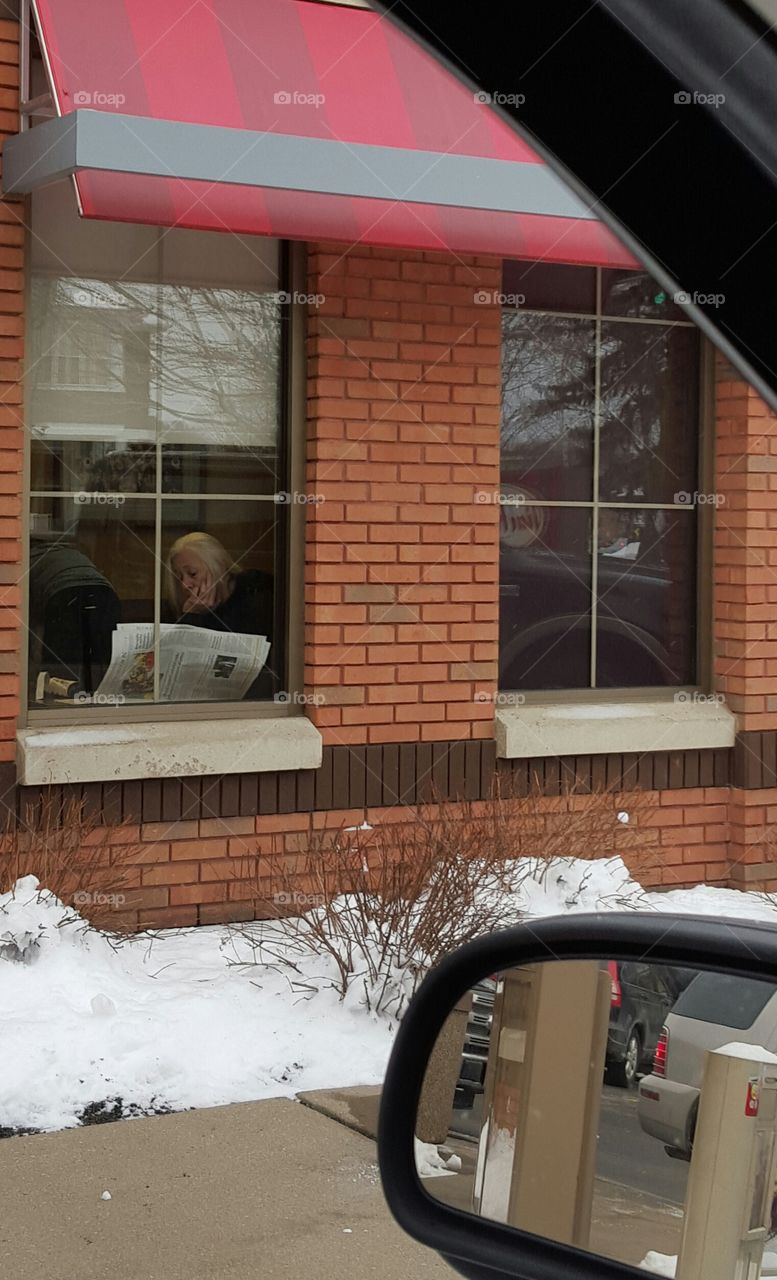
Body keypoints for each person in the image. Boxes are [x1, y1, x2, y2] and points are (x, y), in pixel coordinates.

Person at [166, 532, 272, 637]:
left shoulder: (257, 594)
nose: (184, 585)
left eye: (192, 573)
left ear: (217, 567)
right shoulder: (182, 608)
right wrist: (191, 614)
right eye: (178, 577)